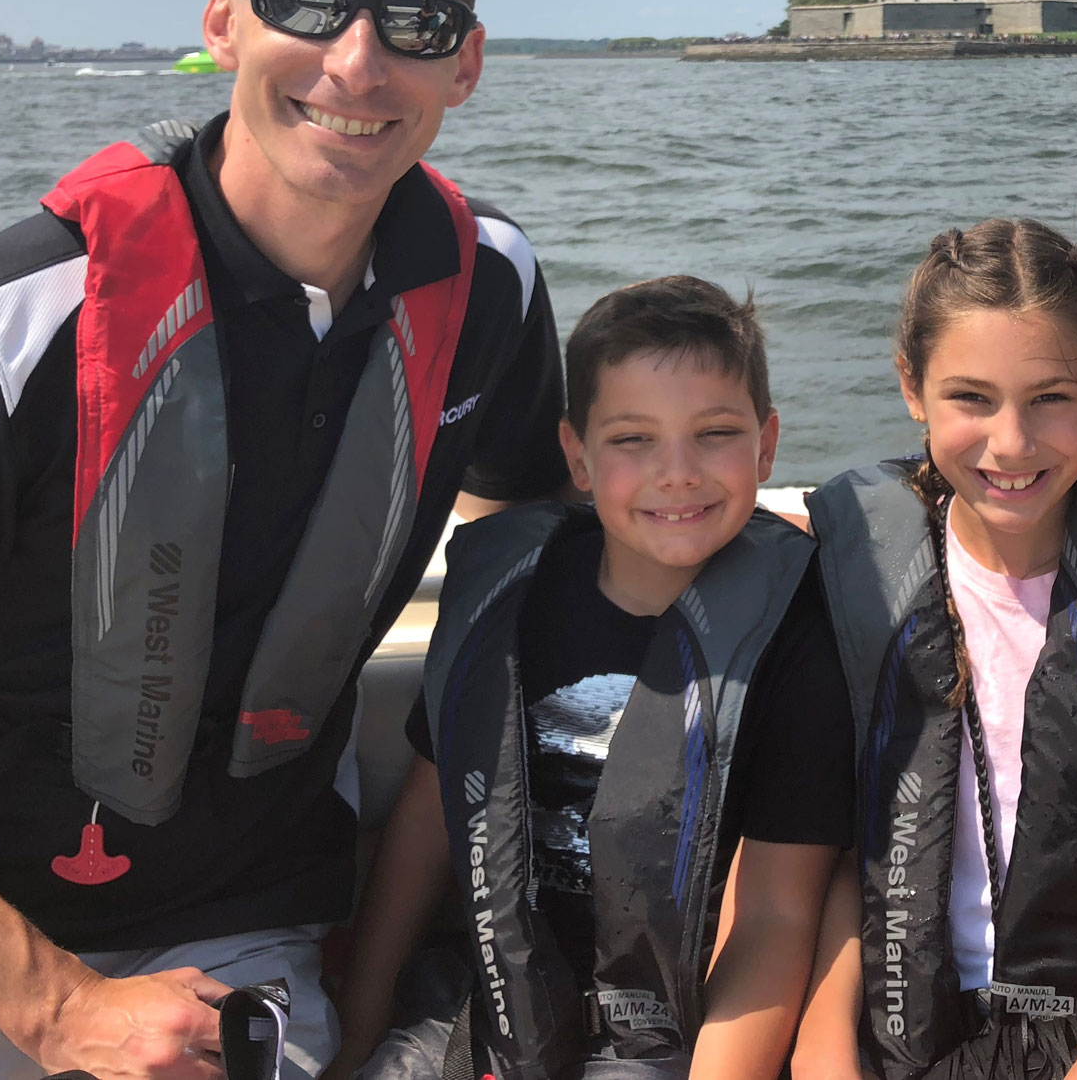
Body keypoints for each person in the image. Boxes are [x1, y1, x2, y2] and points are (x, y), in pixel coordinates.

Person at [0, 0, 571, 1080]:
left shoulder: (485, 286)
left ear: (468, 62)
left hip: (249, 930)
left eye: (415, 24)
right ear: (223, 18)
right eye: (306, 2)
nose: (358, 60)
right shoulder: (14, 323)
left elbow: (520, 532)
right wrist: (58, 1011)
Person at [333, 277, 853, 1080]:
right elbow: (430, 823)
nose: (676, 473)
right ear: (576, 454)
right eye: (633, 440)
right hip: (489, 1001)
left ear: (768, 445)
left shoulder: (793, 638)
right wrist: (361, 1027)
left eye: (715, 433)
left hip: (675, 1029)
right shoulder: (511, 603)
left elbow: (776, 918)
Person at [793, 219, 1077, 1080]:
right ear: (911, 387)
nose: (1011, 444)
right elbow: (855, 862)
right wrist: (824, 1051)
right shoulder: (858, 570)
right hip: (913, 1020)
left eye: (1049, 398)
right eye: (970, 398)